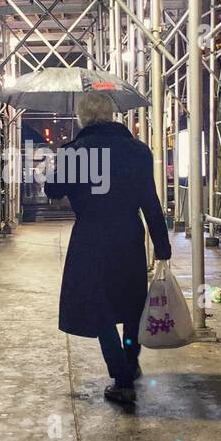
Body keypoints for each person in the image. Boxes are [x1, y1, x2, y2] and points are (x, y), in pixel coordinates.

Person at [44, 91, 171, 406]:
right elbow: (150, 203)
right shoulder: (138, 151)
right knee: (130, 304)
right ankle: (131, 359)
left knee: (99, 308)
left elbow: (53, 191)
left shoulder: (75, 153)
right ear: (112, 115)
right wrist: (163, 246)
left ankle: (121, 375)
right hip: (129, 236)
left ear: (83, 118)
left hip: (91, 239)